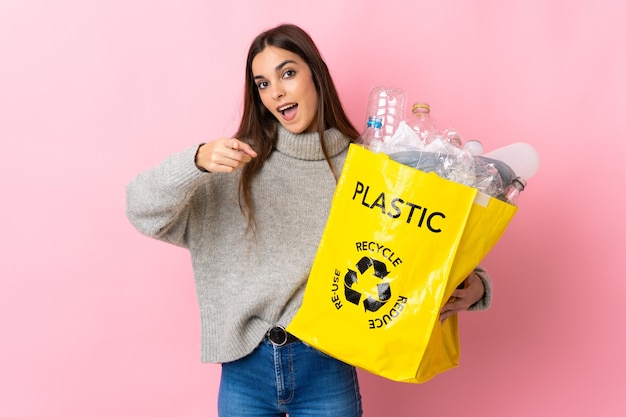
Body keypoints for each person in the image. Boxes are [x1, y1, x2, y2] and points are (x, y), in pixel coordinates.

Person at [126, 23, 492, 417]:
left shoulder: (366, 167)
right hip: (244, 368)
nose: (277, 91)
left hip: (327, 365)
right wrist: (195, 160)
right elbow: (142, 210)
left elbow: (419, 245)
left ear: (315, 74)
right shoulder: (236, 165)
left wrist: (477, 286)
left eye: (287, 73)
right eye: (262, 83)